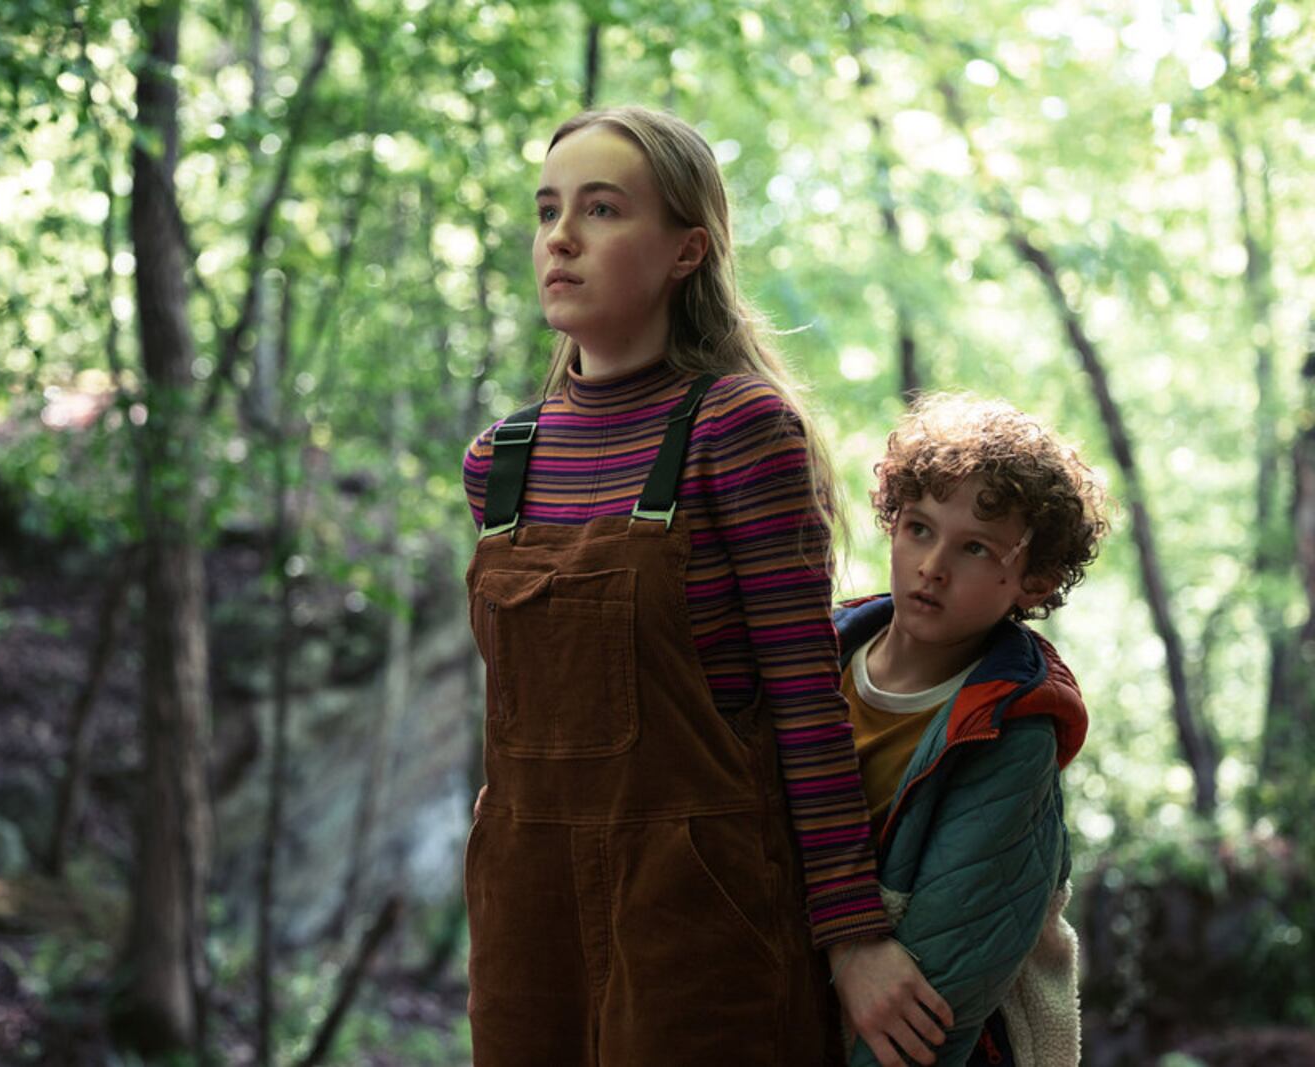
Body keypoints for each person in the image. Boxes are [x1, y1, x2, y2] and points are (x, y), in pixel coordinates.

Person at [461, 105, 948, 1066]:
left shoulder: (740, 429)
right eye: (549, 209)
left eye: (602, 210)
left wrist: (852, 938)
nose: (560, 236)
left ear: (688, 251)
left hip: (702, 912)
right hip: (526, 917)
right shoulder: (500, 462)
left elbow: (807, 698)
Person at [834, 393, 1110, 1065]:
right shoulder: (816, 661)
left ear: (1034, 581)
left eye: (976, 547)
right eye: (919, 528)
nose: (933, 565)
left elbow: (930, 1004)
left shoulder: (1013, 730)